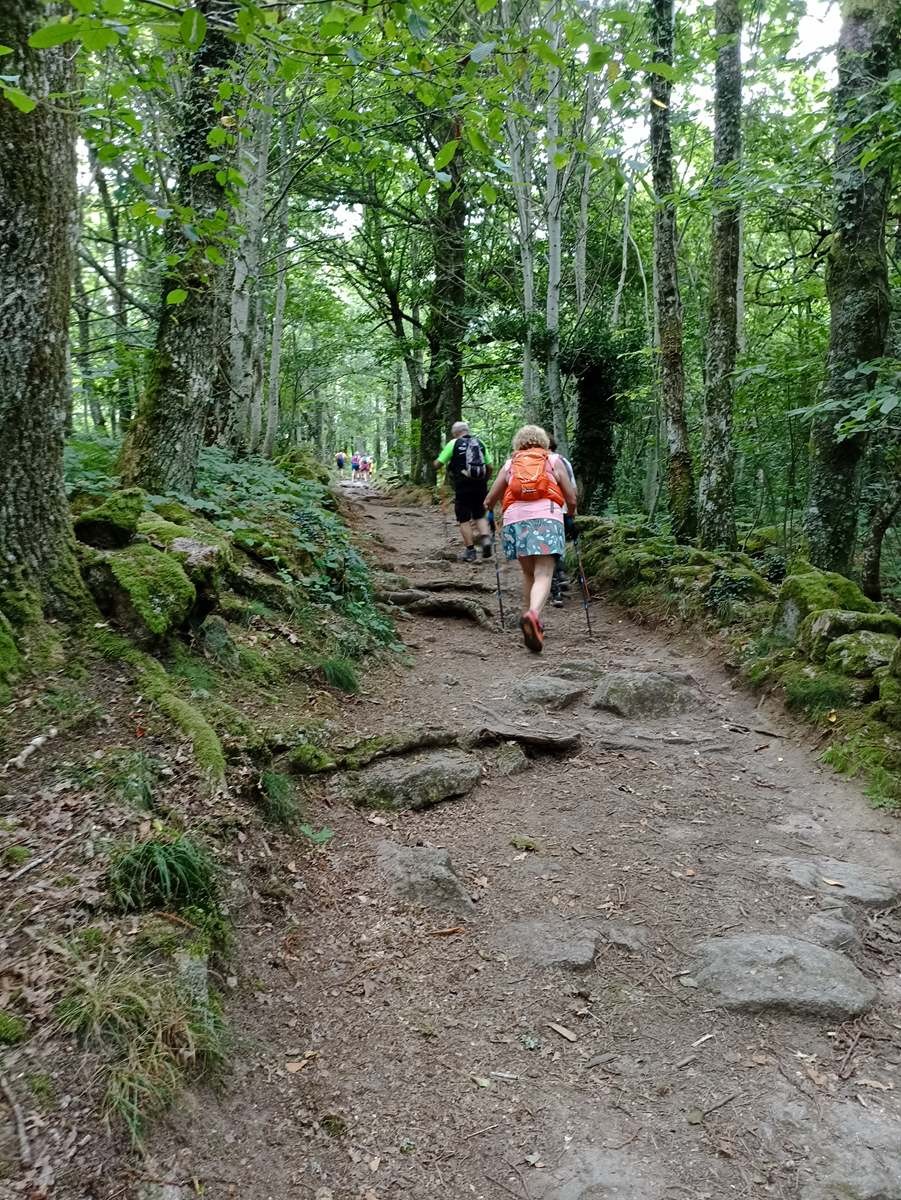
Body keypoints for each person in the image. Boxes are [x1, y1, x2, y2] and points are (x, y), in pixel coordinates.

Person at [485, 424, 577, 653]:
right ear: (543, 441)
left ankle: (528, 619)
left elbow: (490, 499)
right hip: (547, 517)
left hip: (515, 519)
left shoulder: (510, 464)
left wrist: (489, 514)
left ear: (519, 442)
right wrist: (570, 516)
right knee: (544, 572)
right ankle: (534, 615)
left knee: (528, 573)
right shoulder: (553, 460)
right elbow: (571, 498)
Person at [434, 421, 494, 563]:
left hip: (462, 485)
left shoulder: (453, 443)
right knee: (479, 515)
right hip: (480, 485)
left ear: (455, 433)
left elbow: (438, 464)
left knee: (464, 518)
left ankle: (470, 551)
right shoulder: (480, 443)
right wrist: (485, 479)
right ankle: (485, 539)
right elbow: (490, 466)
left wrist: (436, 462)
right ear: (467, 430)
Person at [547, 436, 577, 608]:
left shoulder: (530, 461)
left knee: (546, 551)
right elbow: (572, 489)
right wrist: (572, 513)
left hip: (540, 512)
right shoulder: (562, 461)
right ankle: (561, 574)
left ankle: (556, 589)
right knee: (558, 546)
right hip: (562, 509)